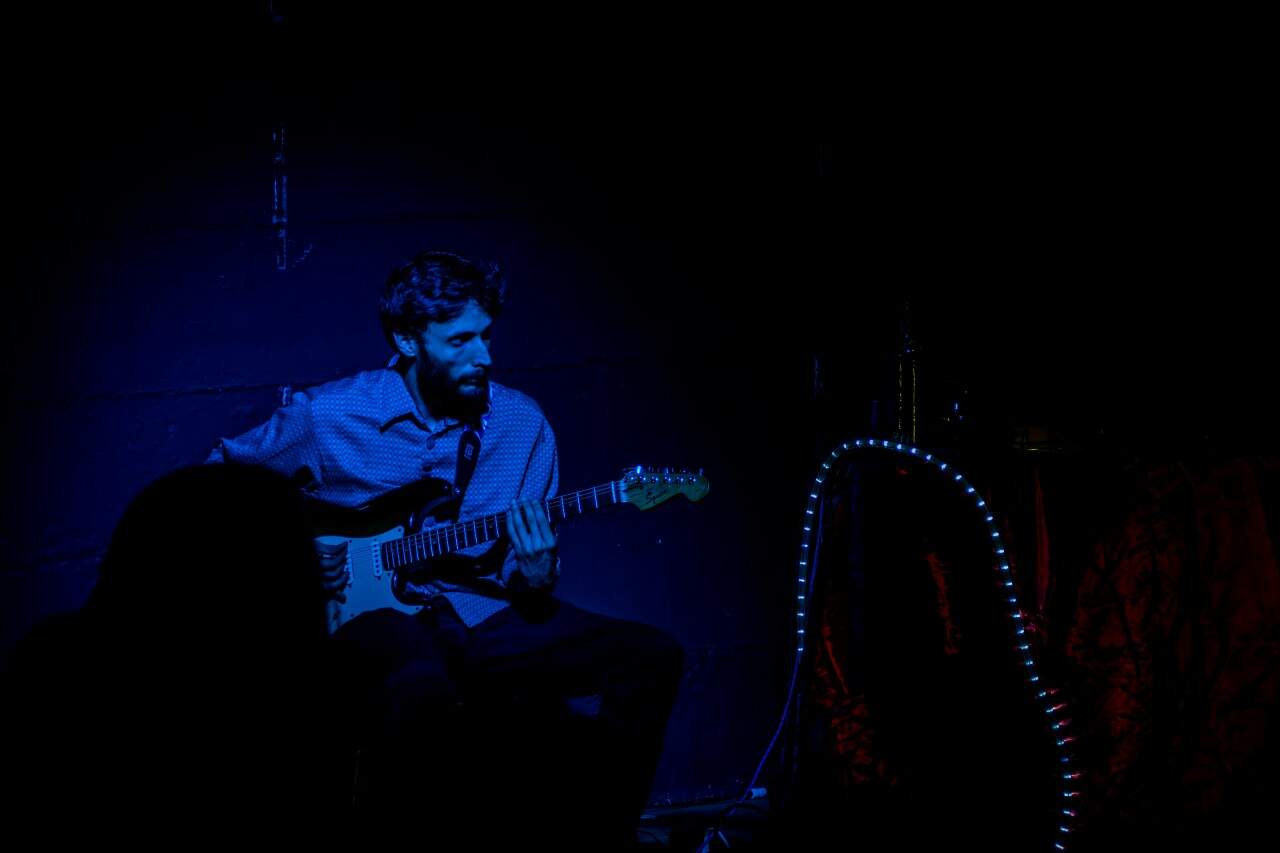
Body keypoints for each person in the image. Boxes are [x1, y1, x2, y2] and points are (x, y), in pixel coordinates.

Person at [206, 250, 685, 847]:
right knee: (417, 686)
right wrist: (295, 556)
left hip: (481, 613)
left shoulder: (520, 425)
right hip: (367, 614)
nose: (484, 357)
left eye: (486, 337)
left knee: (651, 655)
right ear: (408, 340)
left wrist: (536, 572)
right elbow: (213, 491)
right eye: (460, 341)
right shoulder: (330, 418)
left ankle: (600, 840)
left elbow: (524, 581)